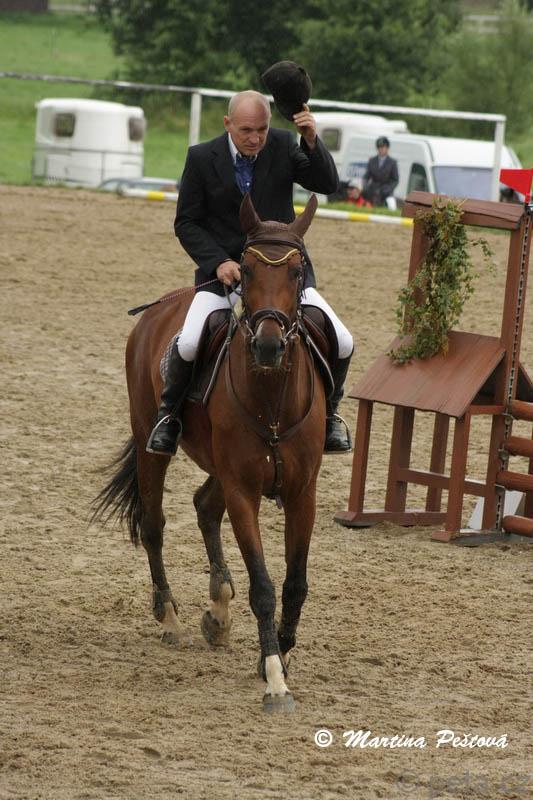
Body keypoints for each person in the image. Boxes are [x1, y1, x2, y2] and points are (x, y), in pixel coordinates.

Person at [147, 90, 354, 456]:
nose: (255, 138)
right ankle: (169, 418)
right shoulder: (201, 158)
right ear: (228, 124)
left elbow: (327, 184)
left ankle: (330, 416)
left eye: (262, 129)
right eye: (246, 130)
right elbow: (187, 222)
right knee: (190, 341)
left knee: (343, 339)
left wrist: (311, 140)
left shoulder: (284, 145)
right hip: (225, 275)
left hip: (281, 274)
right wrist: (218, 261)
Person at [362, 136, 399, 208]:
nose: (381, 149)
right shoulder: (372, 160)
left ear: (387, 148)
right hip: (372, 190)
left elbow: (395, 180)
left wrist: (388, 189)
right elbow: (366, 177)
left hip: (386, 192)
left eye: (383, 147)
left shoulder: (392, 162)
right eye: (379, 147)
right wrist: (365, 186)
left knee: (392, 206)